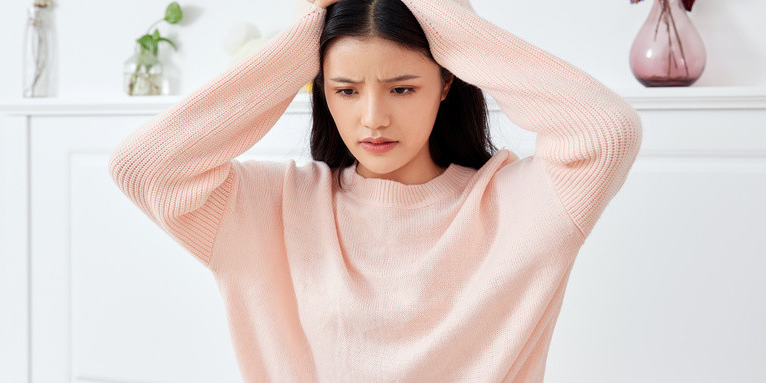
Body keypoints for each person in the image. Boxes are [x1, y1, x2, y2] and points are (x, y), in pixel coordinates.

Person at [107, 0, 643, 381]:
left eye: (402, 88)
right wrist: (309, 32)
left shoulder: (517, 205)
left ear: (448, 79)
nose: (372, 118)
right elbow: (144, 168)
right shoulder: (277, 208)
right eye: (345, 89)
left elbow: (607, 131)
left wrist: (439, 13)